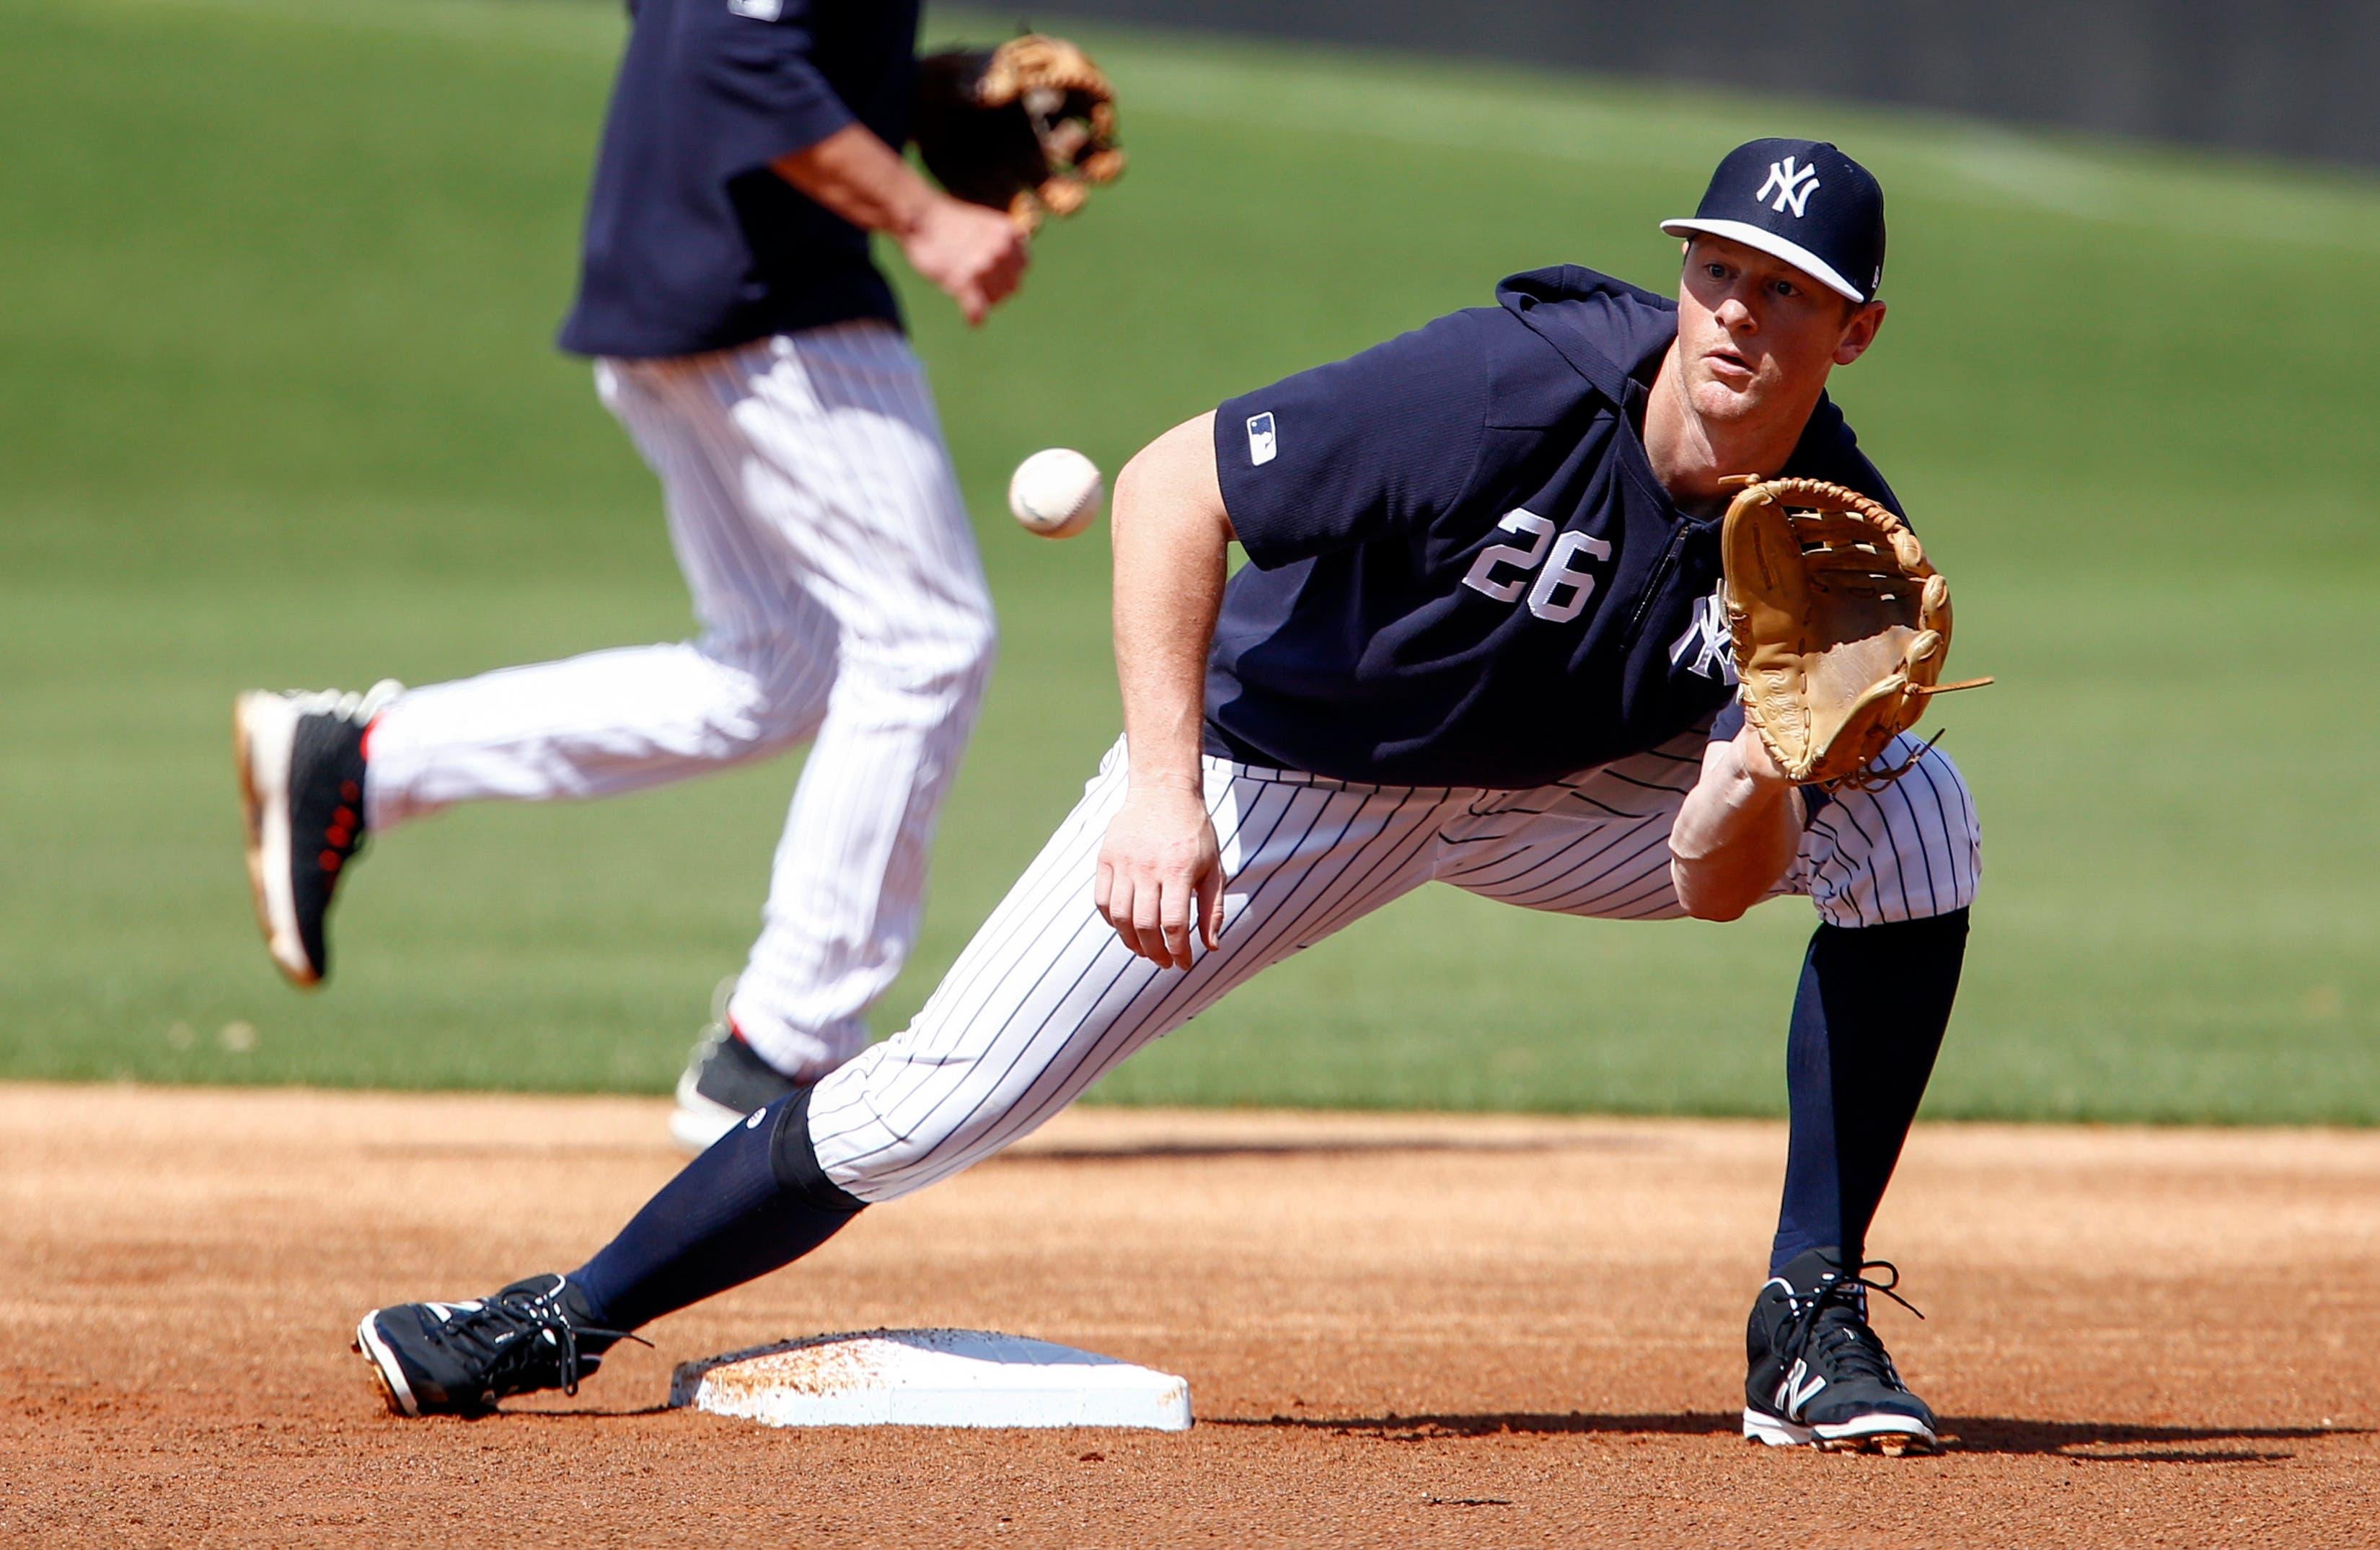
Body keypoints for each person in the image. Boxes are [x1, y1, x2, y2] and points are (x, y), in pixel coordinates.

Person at [352, 139, 1980, 1456]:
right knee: (937, 1102)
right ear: (1682, 273)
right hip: (1281, 775)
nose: (1739, 318)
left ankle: (1808, 1320)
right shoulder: (1504, 389)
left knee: (1915, 812)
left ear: (1857, 333)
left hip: (1553, 798)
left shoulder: (1831, 544)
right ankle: (559, 1313)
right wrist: (1158, 791)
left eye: (1790, 294)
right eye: (1719, 273)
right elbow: (1168, 485)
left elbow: (1710, 880)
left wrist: (1767, 762)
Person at [233, 0, 1028, 1152]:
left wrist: (892, 94)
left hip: (683, 263)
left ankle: (365, 762)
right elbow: (731, 49)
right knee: (927, 641)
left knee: (780, 668)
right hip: (768, 297)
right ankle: (784, 1048)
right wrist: (922, 215)